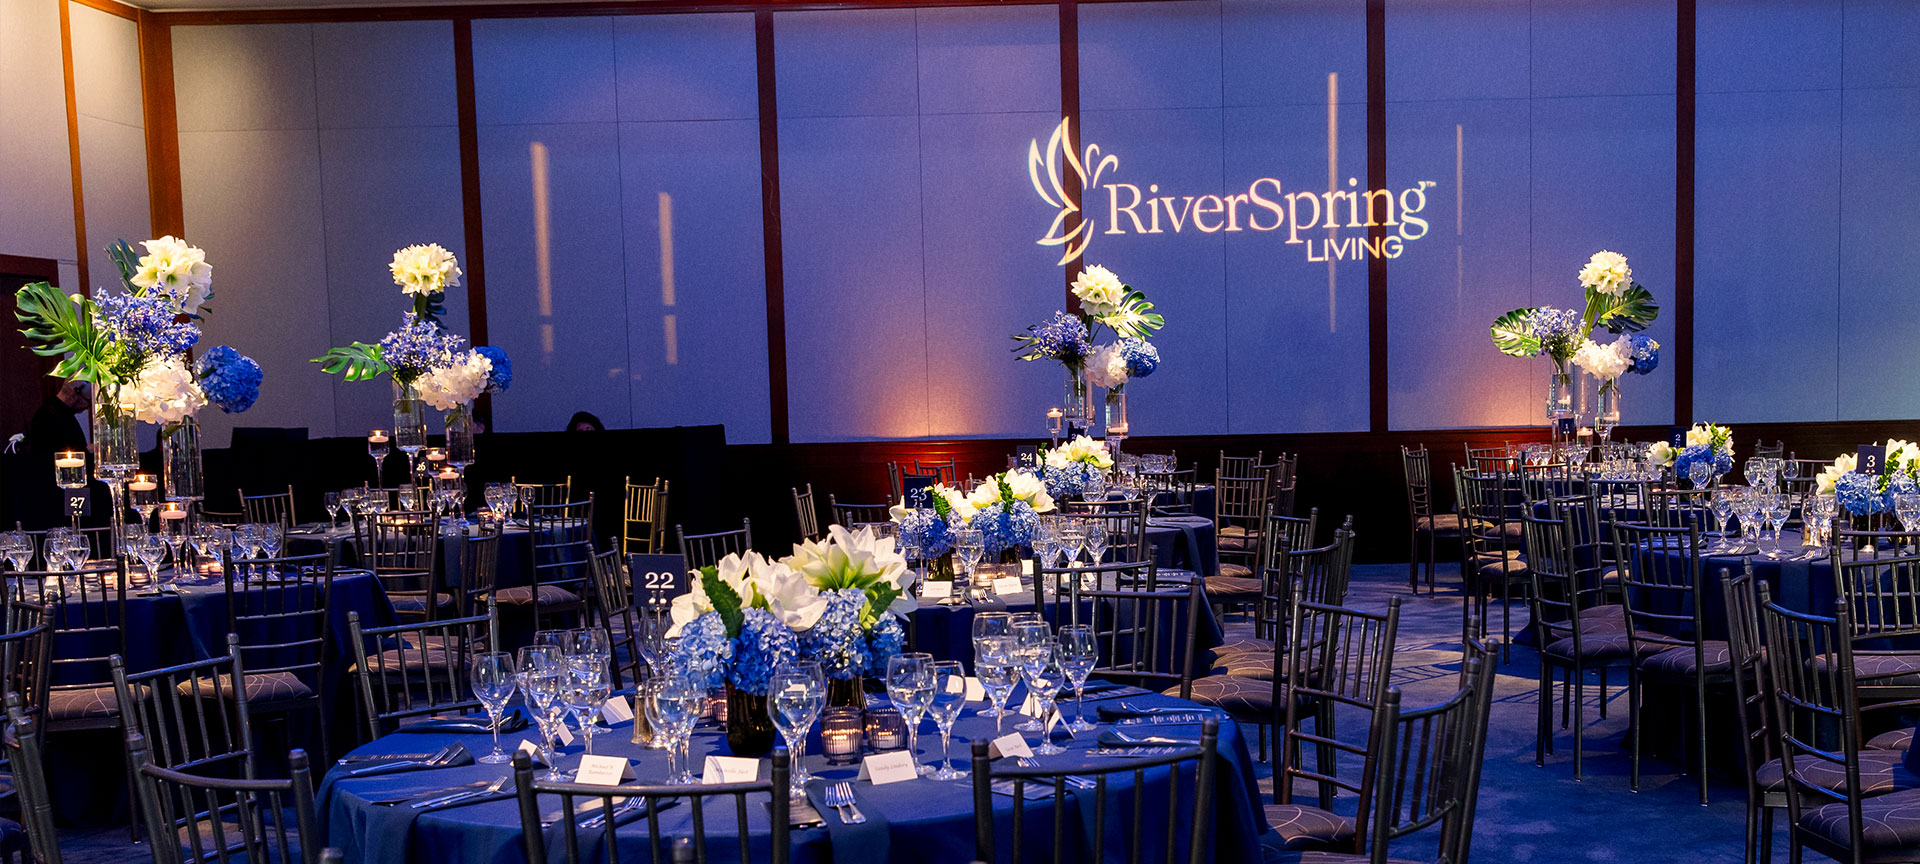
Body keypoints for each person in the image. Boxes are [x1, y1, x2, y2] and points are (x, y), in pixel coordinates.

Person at [28, 378, 89, 454]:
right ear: (74, 395)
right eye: (88, 401)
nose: (87, 407)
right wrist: (87, 451)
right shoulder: (47, 417)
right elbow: (52, 454)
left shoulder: (59, 413)